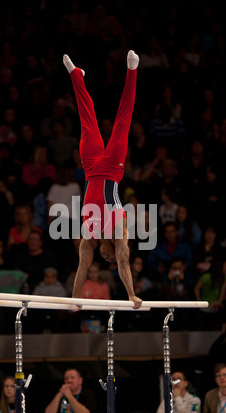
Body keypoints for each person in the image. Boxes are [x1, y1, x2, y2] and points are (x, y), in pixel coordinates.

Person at [63, 50, 142, 308]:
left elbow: (81, 270)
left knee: (87, 121)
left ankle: (77, 76)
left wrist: (75, 300)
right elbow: (123, 262)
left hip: (89, 167)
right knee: (123, 122)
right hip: (112, 169)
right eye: (109, 260)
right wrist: (131, 295)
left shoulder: (89, 238)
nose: (107, 259)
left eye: (103, 259)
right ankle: (132, 71)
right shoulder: (120, 233)